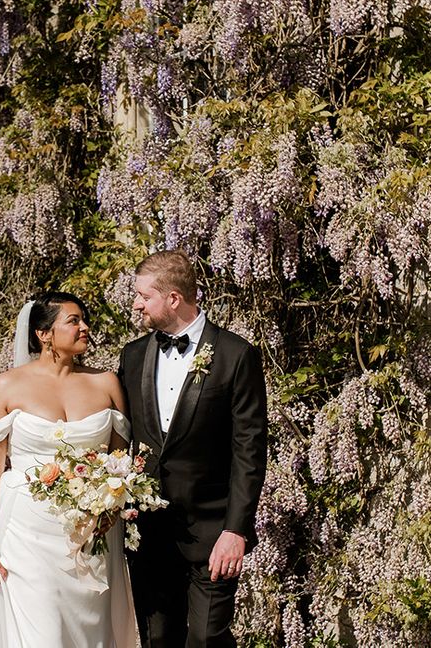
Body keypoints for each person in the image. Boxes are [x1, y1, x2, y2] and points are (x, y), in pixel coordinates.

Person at [0, 291, 137, 648]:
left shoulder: (106, 383)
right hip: (26, 534)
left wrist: (109, 508)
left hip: (91, 534)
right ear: (44, 334)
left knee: (91, 633)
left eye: (84, 320)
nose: (85, 327)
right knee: (41, 634)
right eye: (74, 321)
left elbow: (120, 464)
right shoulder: (7, 385)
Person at [118, 251, 267, 648]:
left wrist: (236, 530)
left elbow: (249, 452)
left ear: (172, 299)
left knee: (207, 638)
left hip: (213, 531)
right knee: (158, 639)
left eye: (143, 296)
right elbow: (122, 440)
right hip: (149, 532)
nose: (136, 304)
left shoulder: (236, 355)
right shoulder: (132, 357)